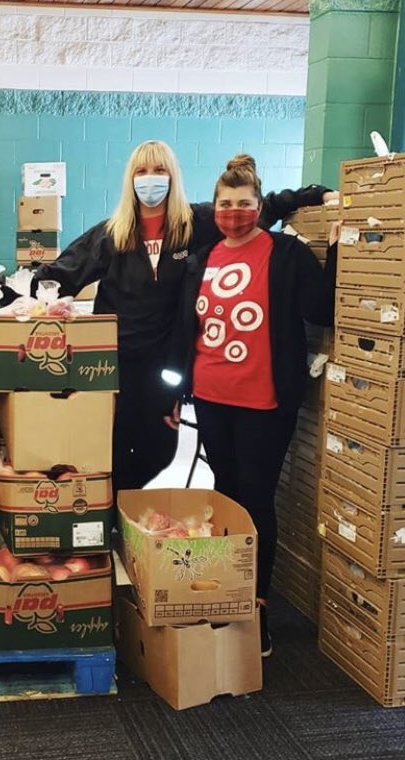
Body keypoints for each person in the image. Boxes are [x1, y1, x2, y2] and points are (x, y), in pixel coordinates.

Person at [33, 140, 332, 495]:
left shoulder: (197, 223)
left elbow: (252, 210)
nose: (150, 179)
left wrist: (314, 194)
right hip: (115, 365)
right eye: (142, 172)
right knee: (112, 450)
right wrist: (7, 296)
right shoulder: (111, 233)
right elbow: (60, 273)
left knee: (160, 451)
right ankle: (113, 515)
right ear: (130, 179)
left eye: (159, 170)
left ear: (173, 177)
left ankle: (127, 507)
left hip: (168, 363)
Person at [166, 154, 339, 657]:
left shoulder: (284, 253)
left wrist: (338, 253)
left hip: (265, 401)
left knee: (256, 499)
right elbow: (187, 332)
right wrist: (175, 393)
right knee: (224, 492)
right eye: (225, 204)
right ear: (214, 208)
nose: (234, 212)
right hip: (212, 397)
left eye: (244, 204)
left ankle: (256, 607)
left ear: (259, 206)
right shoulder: (202, 258)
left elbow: (320, 310)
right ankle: (227, 593)